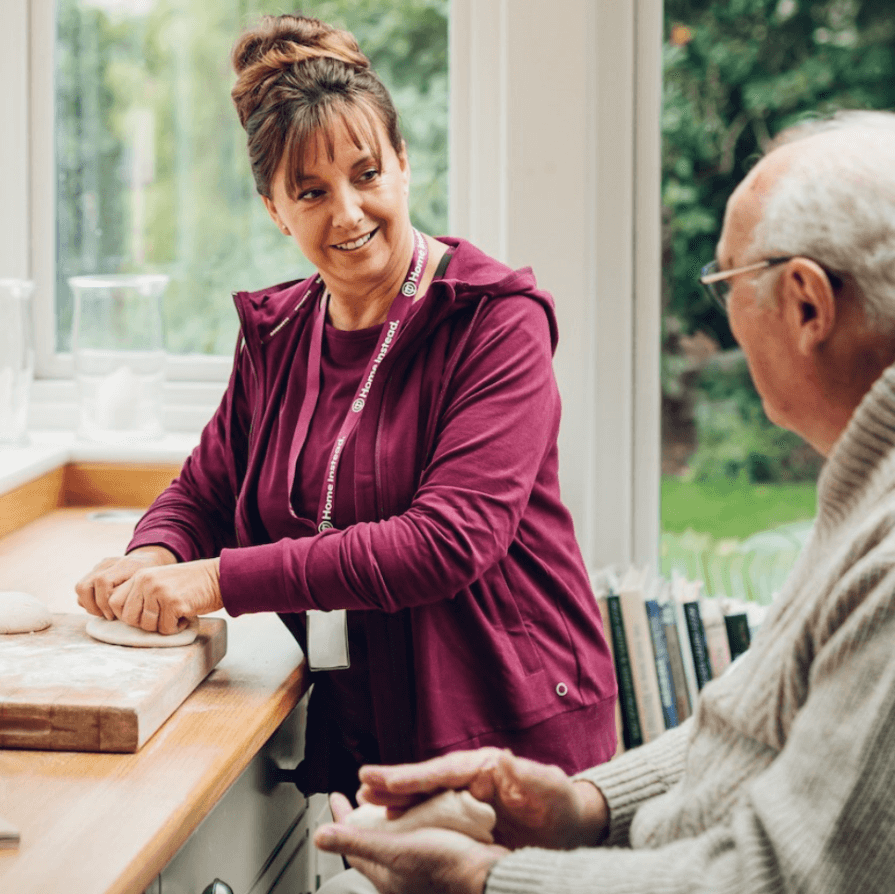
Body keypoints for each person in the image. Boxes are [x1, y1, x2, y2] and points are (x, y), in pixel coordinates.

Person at [312, 109, 895, 893]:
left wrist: (487, 882)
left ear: (806, 306)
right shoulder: (864, 492)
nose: (720, 317)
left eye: (725, 282)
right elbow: (762, 725)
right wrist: (586, 805)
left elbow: (784, 881)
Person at [75, 14, 617, 798]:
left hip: (515, 738)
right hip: (375, 737)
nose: (349, 213)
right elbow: (206, 491)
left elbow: (446, 542)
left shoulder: (496, 320)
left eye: (367, 174)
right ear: (274, 209)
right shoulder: (280, 332)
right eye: (311, 192)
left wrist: (215, 581)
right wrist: (152, 558)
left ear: (402, 163)